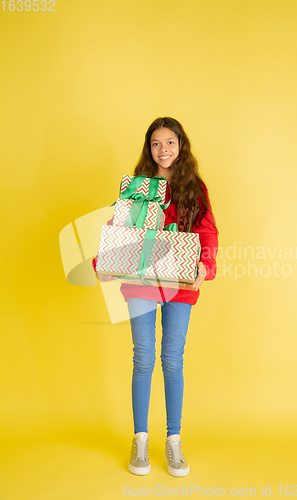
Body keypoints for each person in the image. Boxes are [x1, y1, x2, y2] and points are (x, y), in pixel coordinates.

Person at [94, 117, 219, 477]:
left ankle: (174, 440)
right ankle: (141, 440)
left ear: (182, 146)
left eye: (170, 142)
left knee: (173, 360)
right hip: (140, 283)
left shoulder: (195, 187)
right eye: (155, 143)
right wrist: (102, 262)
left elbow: (207, 231)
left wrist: (204, 266)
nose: (163, 149)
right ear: (148, 148)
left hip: (179, 283)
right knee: (144, 359)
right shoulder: (136, 188)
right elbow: (119, 229)